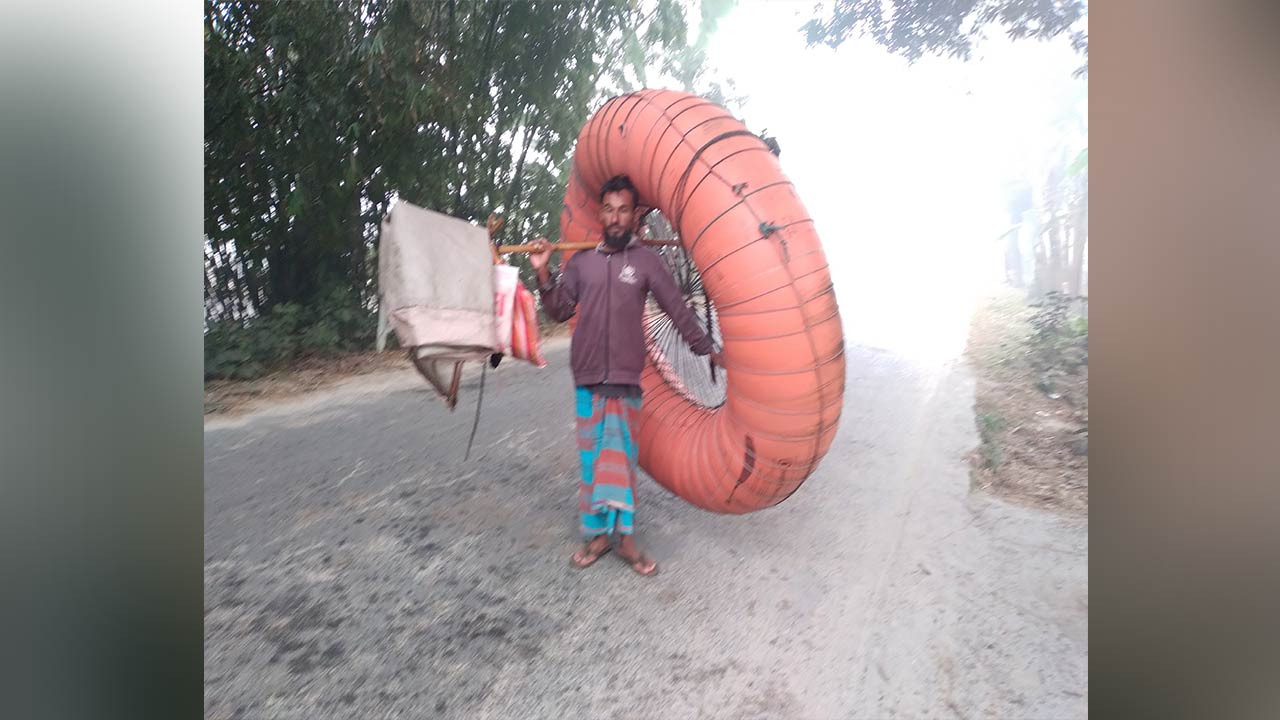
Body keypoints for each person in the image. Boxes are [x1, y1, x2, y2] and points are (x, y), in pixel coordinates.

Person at [530, 174, 722, 577]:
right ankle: (599, 537)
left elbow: (677, 310)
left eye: (623, 211)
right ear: (601, 213)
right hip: (587, 379)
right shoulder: (581, 262)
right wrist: (544, 274)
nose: (615, 219)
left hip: (624, 380)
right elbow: (560, 310)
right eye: (609, 210)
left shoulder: (646, 262)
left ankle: (628, 541)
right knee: (591, 465)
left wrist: (709, 350)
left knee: (621, 464)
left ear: (635, 217)